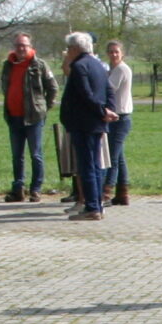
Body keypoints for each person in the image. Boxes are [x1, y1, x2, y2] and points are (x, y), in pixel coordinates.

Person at [59, 31, 115, 220]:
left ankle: (92, 207)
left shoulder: (79, 66)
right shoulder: (97, 64)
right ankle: (97, 205)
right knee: (95, 165)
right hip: (97, 122)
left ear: (75, 48)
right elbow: (109, 90)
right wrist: (109, 109)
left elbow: (85, 94)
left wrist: (102, 111)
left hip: (84, 123)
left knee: (87, 166)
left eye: (69, 48)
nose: (67, 52)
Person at [0, 32, 56, 203]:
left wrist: (44, 108)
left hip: (34, 118)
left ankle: (36, 189)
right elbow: (5, 87)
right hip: (13, 117)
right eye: (18, 45)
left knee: (36, 155)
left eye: (24, 45)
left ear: (30, 47)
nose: (21, 49)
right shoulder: (7, 65)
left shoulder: (39, 65)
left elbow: (53, 88)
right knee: (17, 156)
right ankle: (18, 189)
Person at [103, 39, 136, 207]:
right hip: (115, 117)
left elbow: (108, 88)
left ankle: (106, 192)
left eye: (116, 51)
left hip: (120, 118)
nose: (114, 54)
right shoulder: (112, 70)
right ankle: (123, 193)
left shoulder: (122, 69)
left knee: (112, 157)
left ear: (122, 53)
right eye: (111, 52)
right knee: (119, 157)